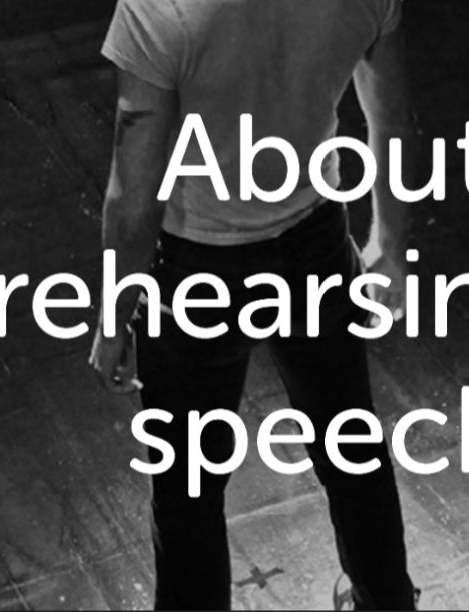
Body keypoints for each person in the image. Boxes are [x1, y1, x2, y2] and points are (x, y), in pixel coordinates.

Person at [88, 0, 418, 608]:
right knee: (353, 454)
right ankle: (387, 602)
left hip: (197, 268)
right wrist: (391, 245)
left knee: (188, 491)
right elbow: (391, 119)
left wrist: (115, 313)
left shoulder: (159, 9)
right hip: (312, 245)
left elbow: (135, 194)